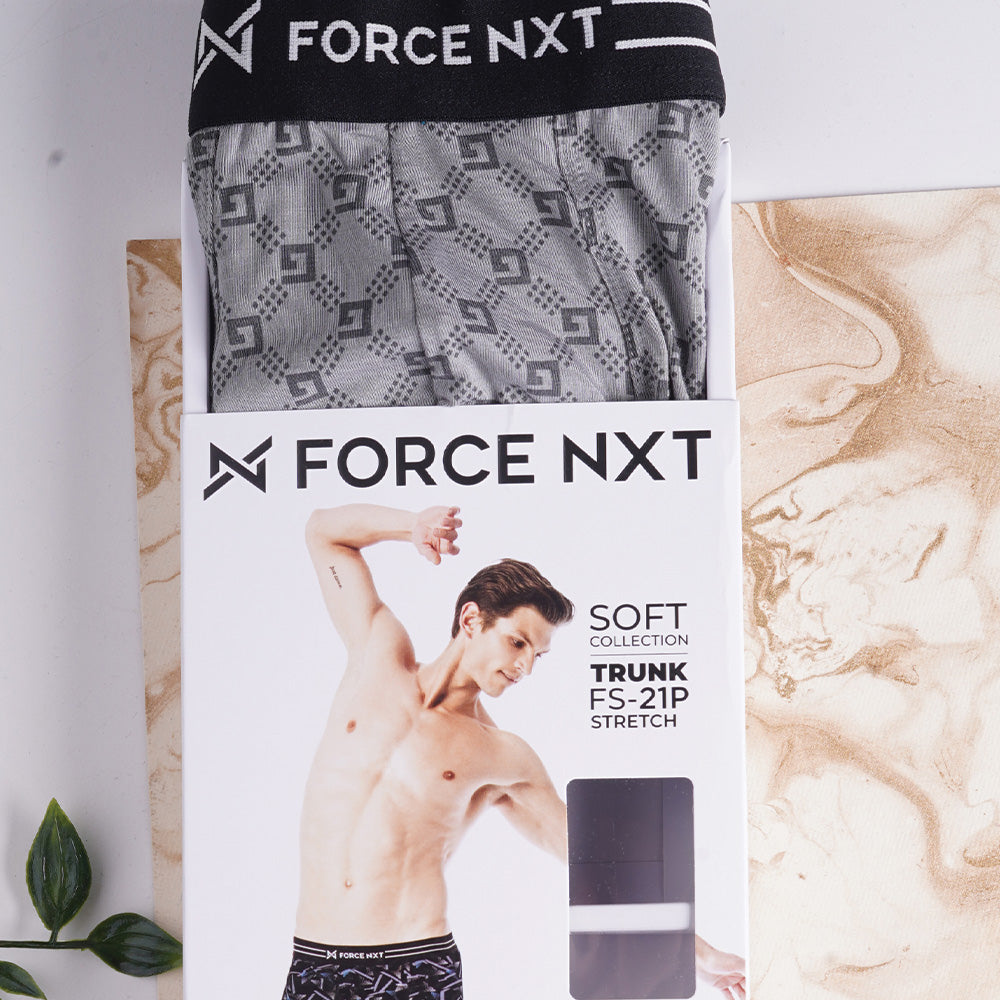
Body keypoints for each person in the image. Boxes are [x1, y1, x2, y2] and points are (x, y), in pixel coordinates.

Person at [284, 503, 746, 1000]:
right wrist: (411, 526)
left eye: (537, 655)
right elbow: (323, 533)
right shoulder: (376, 655)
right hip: (312, 962)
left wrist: (696, 953)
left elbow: (592, 864)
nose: (525, 667)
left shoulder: (501, 755)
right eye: (517, 643)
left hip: (412, 969)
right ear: (471, 619)